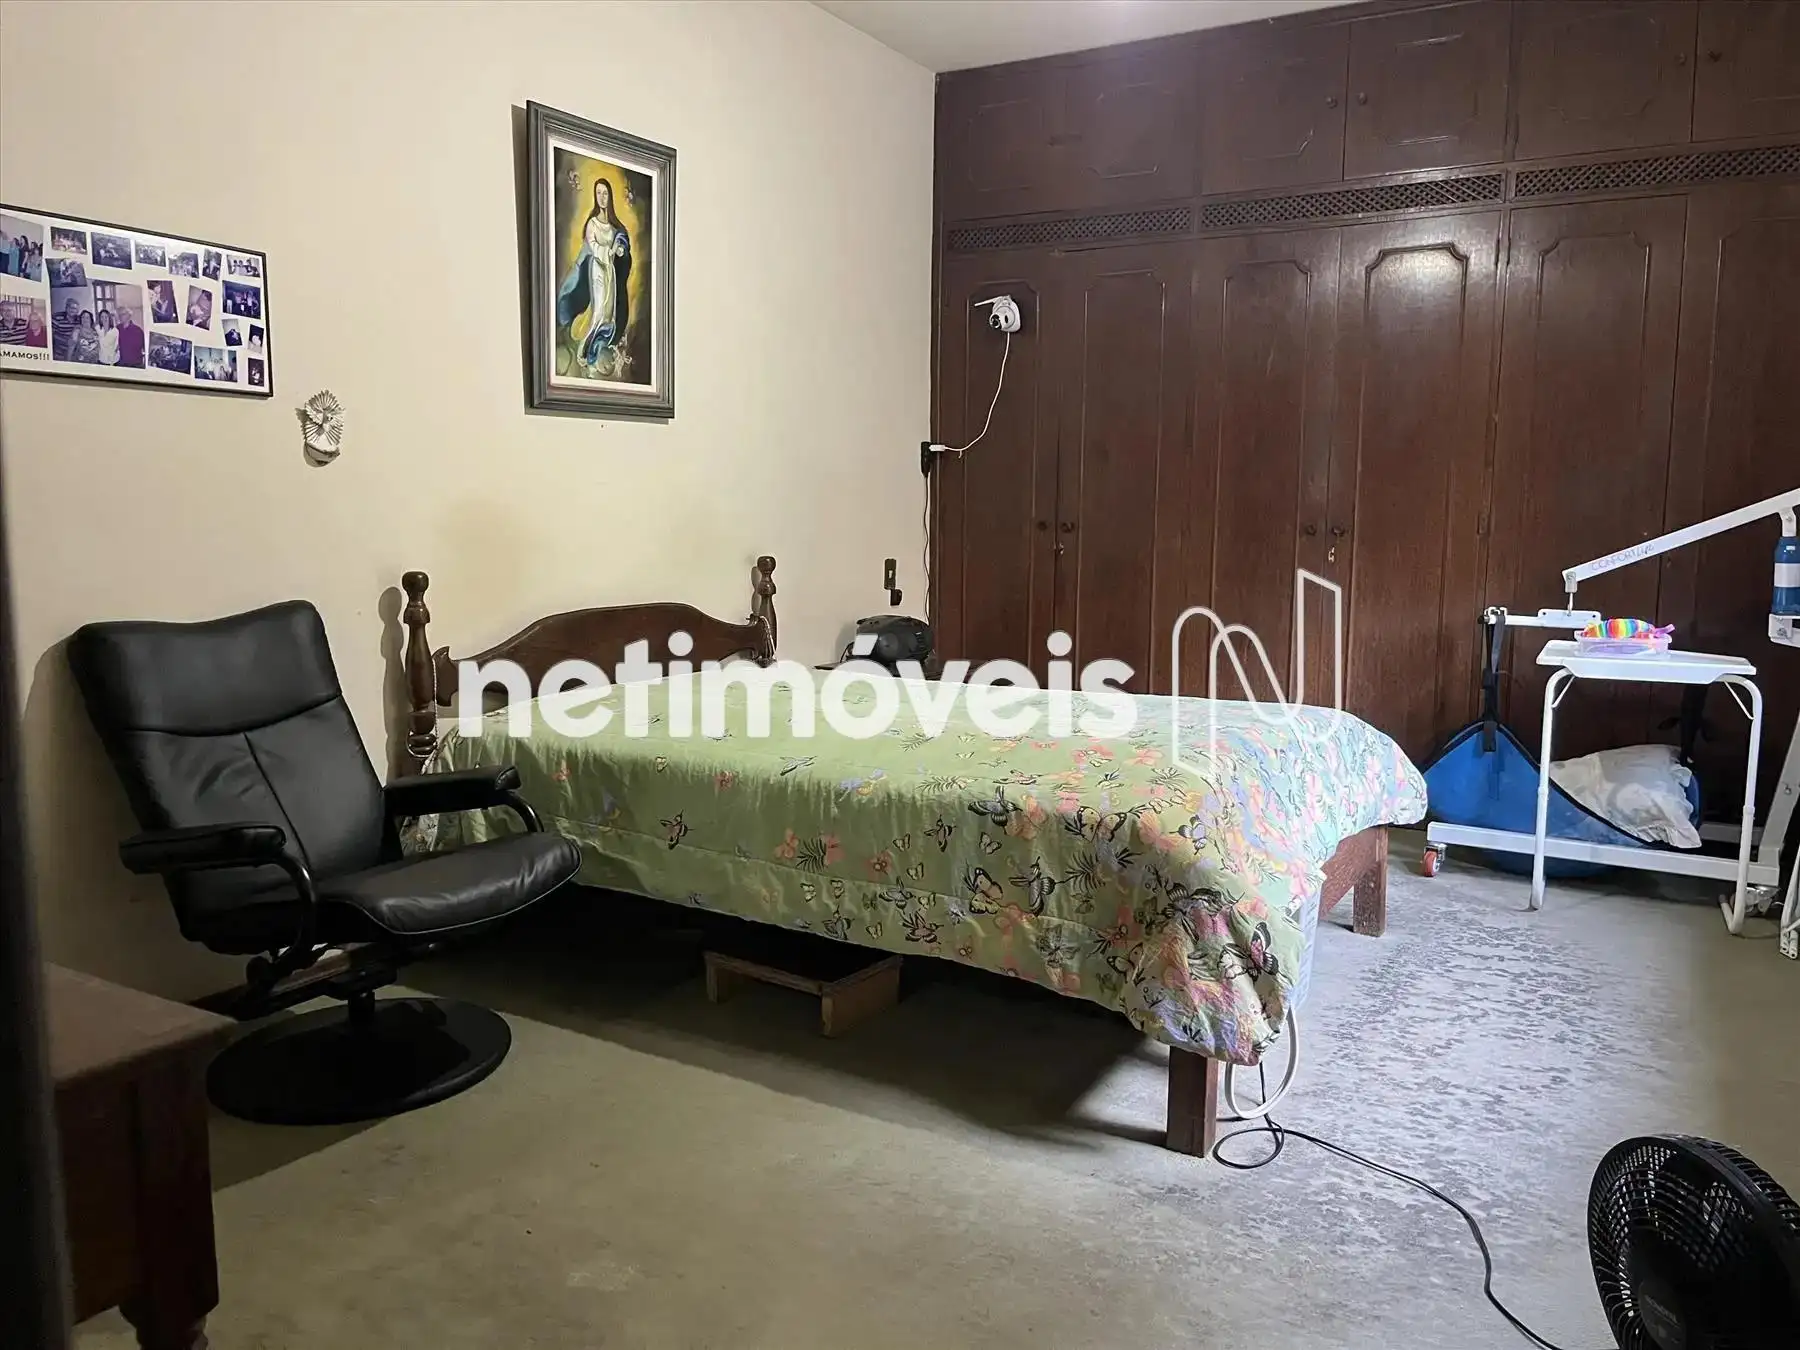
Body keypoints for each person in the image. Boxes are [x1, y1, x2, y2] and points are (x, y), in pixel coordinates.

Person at [556, 177, 632, 377]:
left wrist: (620, 250)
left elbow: (622, 246)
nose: (602, 197)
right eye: (598, 193)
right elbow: (593, 246)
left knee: (608, 313)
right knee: (598, 312)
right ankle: (584, 350)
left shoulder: (615, 227)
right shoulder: (592, 224)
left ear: (610, 197)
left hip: (610, 273)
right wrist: (609, 251)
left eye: (605, 193)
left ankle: (597, 349)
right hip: (598, 270)